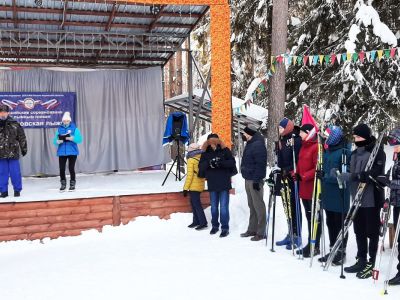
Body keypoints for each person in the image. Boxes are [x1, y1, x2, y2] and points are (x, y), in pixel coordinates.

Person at [336, 124, 385, 279]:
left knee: (372, 231)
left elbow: (374, 173)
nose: (355, 139)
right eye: (354, 137)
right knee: (359, 230)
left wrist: (354, 177)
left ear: (365, 137)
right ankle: (361, 258)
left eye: (358, 137)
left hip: (371, 198)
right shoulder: (354, 153)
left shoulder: (377, 153)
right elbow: (350, 170)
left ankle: (372, 261)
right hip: (356, 197)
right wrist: (340, 174)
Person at [319, 125, 351, 265]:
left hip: (339, 194)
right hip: (328, 194)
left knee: (339, 224)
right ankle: (332, 248)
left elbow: (345, 174)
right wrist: (321, 174)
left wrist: (327, 176)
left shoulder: (344, 152)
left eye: (327, 136)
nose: (325, 138)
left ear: (334, 137)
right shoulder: (328, 151)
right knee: (330, 222)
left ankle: (340, 251)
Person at [198, 134, 237, 238]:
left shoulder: (225, 150)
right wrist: (209, 162)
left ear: (218, 141)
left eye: (214, 141)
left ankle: (225, 228)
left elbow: (232, 163)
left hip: (224, 183)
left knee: (224, 207)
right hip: (212, 183)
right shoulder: (205, 153)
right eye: (210, 142)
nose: (212, 144)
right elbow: (200, 166)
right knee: (214, 207)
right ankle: (215, 226)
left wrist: (220, 162)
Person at [275, 117, 302, 249]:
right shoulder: (282, 140)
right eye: (279, 128)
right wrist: (278, 170)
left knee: (294, 205)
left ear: (287, 128)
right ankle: (290, 233)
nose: (279, 130)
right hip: (284, 176)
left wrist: (291, 169)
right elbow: (280, 160)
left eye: (281, 128)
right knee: (287, 206)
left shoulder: (296, 140)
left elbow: (298, 159)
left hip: (293, 177)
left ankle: (297, 235)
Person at [240, 125, 267, 241]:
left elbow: (260, 165)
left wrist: (257, 180)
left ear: (249, 134)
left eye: (245, 133)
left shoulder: (258, 144)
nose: (243, 135)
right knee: (252, 205)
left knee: (258, 206)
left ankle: (261, 232)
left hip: (255, 180)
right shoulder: (251, 143)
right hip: (248, 178)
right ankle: (252, 229)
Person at [296, 124, 319, 257]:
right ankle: (310, 242)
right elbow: (300, 163)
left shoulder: (316, 147)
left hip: (312, 187)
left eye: (302, 133)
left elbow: (317, 167)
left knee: (314, 218)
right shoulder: (304, 146)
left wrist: (304, 175)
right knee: (308, 216)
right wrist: (296, 173)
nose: (300, 135)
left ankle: (314, 244)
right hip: (303, 188)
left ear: (309, 133)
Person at [0, 104, 27, 198]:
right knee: (2, 173)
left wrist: (24, 148)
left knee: (15, 172)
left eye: (4, 112)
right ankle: (3, 191)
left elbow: (21, 137)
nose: (2, 114)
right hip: (1, 153)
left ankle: (17, 190)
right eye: (1, 112)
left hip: (13, 152)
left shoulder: (15, 123)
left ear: (8, 113)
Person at [53, 112, 82, 192]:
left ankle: (72, 184)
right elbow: (54, 141)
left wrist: (72, 138)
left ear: (70, 121)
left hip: (72, 152)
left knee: (71, 168)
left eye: (67, 121)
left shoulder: (75, 129)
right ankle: (63, 184)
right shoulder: (59, 129)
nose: (65, 122)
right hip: (62, 152)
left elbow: (79, 140)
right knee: (62, 169)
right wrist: (58, 141)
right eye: (64, 121)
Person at [183, 143, 207, 230]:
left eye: (189, 148)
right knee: (194, 204)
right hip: (200, 184)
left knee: (196, 204)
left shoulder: (191, 160)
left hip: (194, 185)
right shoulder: (201, 157)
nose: (188, 149)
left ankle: (203, 222)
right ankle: (196, 221)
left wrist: (185, 188)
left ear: (192, 149)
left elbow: (190, 175)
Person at [387, 128, 400, 285]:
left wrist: (390, 183)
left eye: (397, 144)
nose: (394, 147)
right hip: (397, 202)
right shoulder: (397, 157)